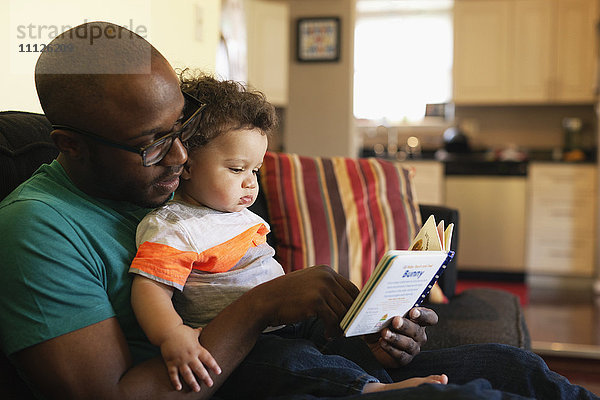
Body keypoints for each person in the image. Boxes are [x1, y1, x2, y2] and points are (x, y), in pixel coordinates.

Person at [0, 21, 597, 400]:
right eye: (152, 143)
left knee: (515, 367)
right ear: (69, 145)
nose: (181, 156)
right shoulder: (40, 228)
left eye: (181, 129)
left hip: (309, 357)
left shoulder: (178, 187)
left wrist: (371, 334)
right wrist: (263, 307)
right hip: (253, 379)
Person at [128, 73, 448, 396]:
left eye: (255, 170)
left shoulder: (236, 213)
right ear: (186, 164)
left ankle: (379, 378)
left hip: (287, 322)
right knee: (291, 360)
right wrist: (172, 335)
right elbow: (149, 289)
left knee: (340, 340)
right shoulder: (175, 225)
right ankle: (370, 390)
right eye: (237, 169)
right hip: (248, 346)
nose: (250, 183)